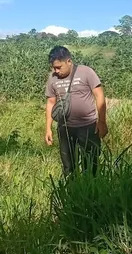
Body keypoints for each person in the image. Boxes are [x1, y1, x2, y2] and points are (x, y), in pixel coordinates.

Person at [44, 46, 108, 176]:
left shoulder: (86, 72)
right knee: (68, 167)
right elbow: (51, 102)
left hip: (88, 127)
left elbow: (99, 95)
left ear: (69, 61)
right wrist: (48, 128)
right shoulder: (53, 78)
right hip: (65, 128)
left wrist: (102, 122)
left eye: (58, 67)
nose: (56, 71)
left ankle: (91, 193)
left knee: (91, 166)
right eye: (53, 67)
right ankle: (71, 193)